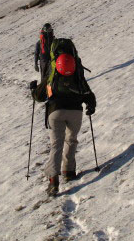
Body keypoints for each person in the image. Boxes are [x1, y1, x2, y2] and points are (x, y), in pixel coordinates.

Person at [30, 38, 96, 197]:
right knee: (71, 140)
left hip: (55, 112)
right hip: (75, 112)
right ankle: (68, 171)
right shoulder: (77, 72)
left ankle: (53, 181)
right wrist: (90, 106)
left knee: (56, 144)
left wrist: (33, 88)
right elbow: (88, 93)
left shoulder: (53, 73)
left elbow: (39, 96)